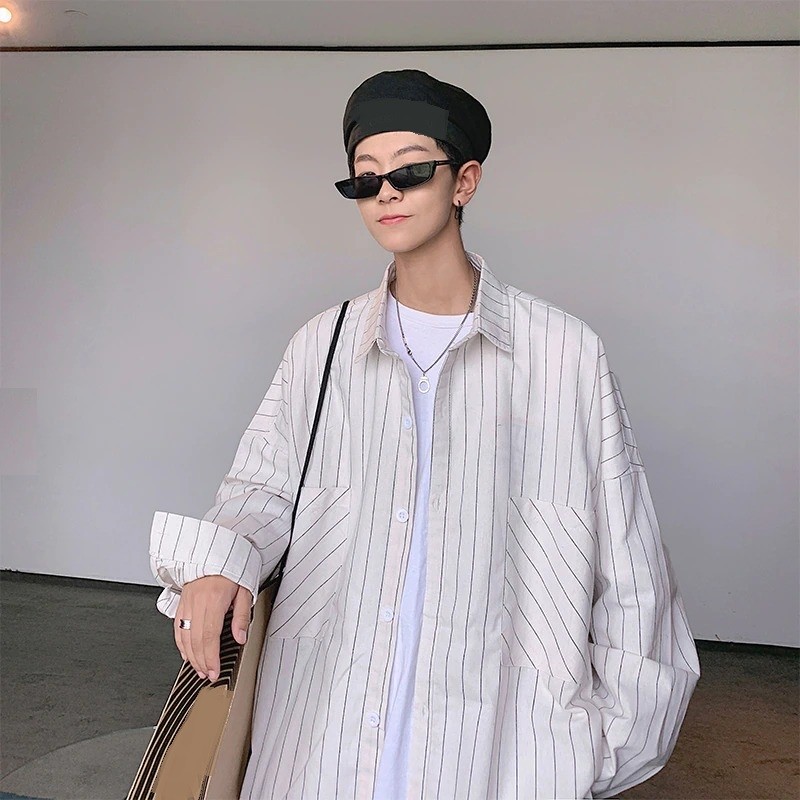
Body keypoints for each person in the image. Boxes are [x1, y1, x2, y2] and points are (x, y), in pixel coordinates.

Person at [149, 69, 701, 800]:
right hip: (323, 737)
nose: (386, 192)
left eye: (409, 170)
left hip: (501, 751)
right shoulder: (322, 346)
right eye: (364, 178)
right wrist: (219, 564)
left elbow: (630, 569)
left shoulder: (565, 354)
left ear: (464, 181)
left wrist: (598, 750)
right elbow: (263, 489)